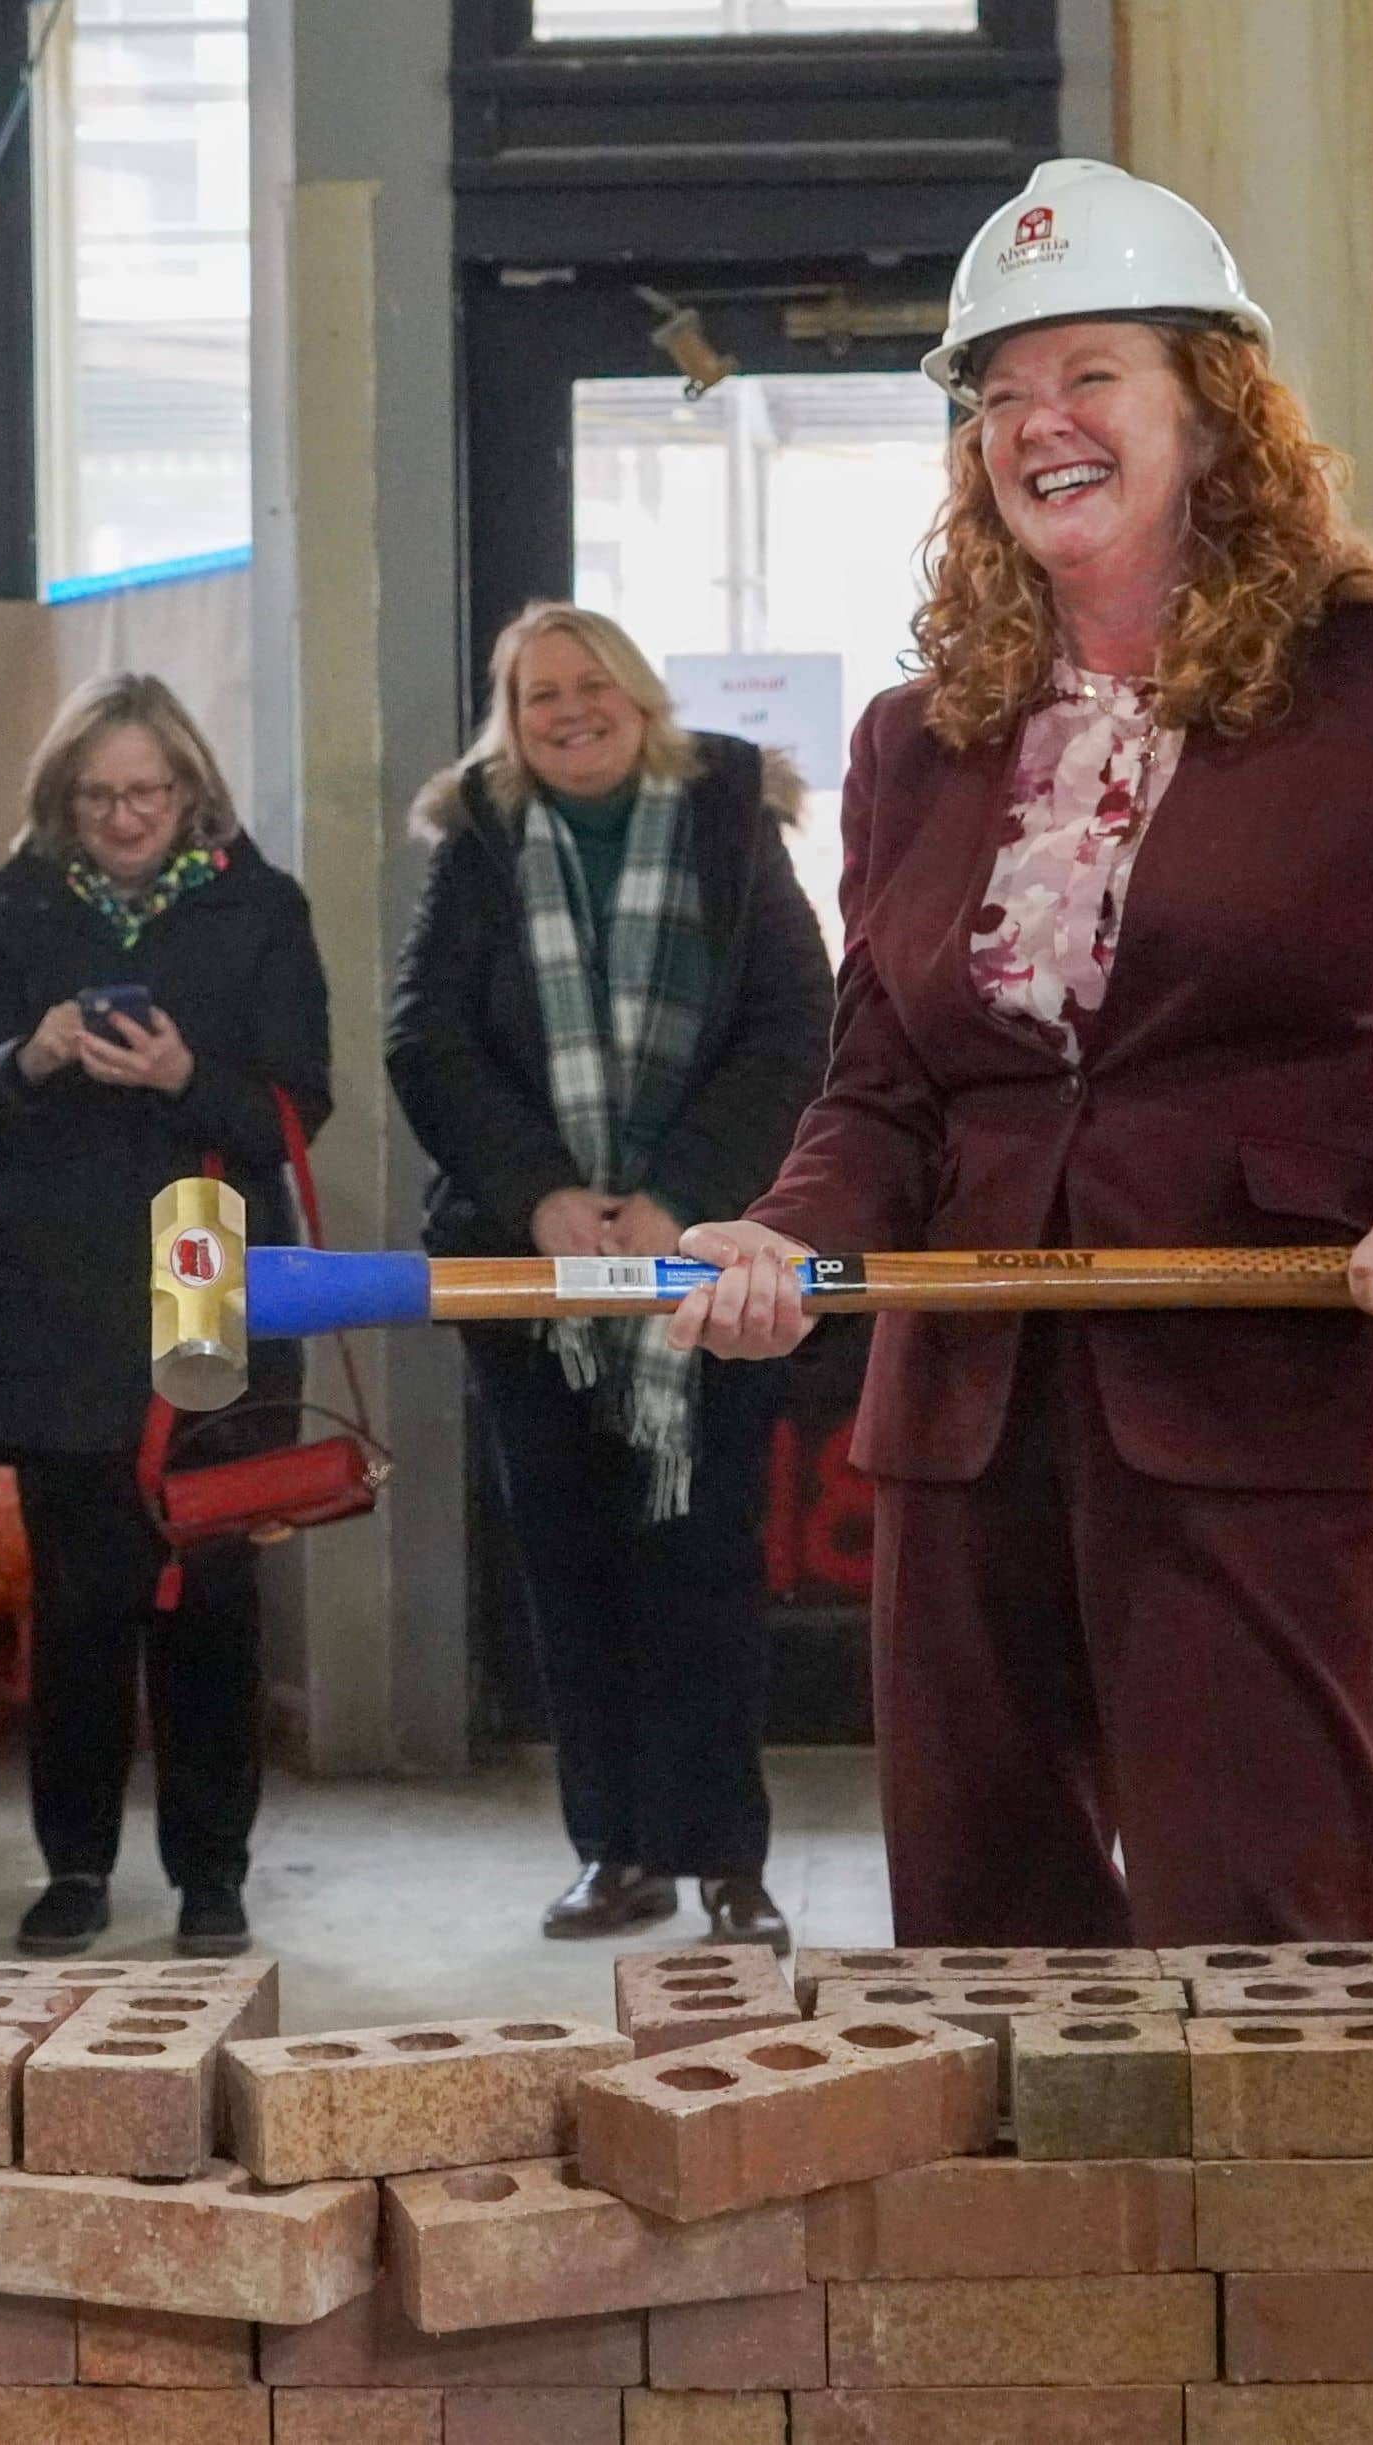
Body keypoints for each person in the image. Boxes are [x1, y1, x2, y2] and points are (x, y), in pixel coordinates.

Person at [666, 159, 1373, 1946]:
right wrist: (784, 1227)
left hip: (1265, 1379)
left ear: (1210, 412)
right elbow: (882, 1083)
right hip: (969, 1398)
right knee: (982, 1926)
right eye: (997, 396)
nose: (1034, 424)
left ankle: (1268, 2234)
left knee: (1259, 1923)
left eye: (1088, 376)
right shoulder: (920, 739)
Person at [391, 603, 837, 1952]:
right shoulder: (476, 835)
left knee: (704, 1559)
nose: (569, 710)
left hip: (708, 1267)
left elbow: (791, 1021)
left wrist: (674, 1199)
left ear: (640, 699)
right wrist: (538, 1195)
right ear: (508, 718)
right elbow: (429, 1038)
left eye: (593, 686)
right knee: (567, 1563)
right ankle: (615, 1851)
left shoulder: (725, 818)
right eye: (538, 695)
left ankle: (728, 1862)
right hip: (528, 1280)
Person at [0, 674, 328, 1960]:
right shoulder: (22, 909)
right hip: (60, 1305)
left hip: (209, 1277)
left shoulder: (262, 906)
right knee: (81, 1609)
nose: (123, 816)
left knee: (211, 1595)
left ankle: (213, 1876)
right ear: (64, 802)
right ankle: (76, 1870)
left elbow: (294, 1115)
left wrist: (182, 1075)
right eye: (97, 796)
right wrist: (34, 1055)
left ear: (189, 789)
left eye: (146, 792)